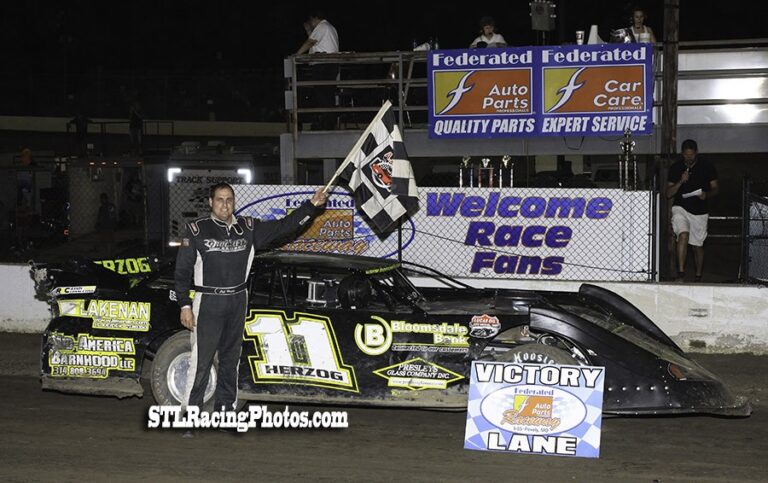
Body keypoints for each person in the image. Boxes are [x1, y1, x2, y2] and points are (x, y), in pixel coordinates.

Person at [174, 183, 327, 419]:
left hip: (238, 300)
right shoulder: (196, 230)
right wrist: (185, 305)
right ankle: (190, 416)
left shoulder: (248, 227)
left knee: (230, 361)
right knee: (201, 362)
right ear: (210, 203)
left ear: (234, 202)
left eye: (229, 200)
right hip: (208, 302)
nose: (225, 205)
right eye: (220, 200)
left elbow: (283, 227)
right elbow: (182, 273)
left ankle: (224, 414)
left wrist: (311, 207)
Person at [666, 139, 719, 282]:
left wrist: (706, 194)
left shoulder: (707, 166)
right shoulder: (676, 168)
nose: (688, 158)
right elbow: (669, 193)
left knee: (697, 246)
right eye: (686, 155)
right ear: (682, 154)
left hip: (699, 211)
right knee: (683, 235)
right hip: (680, 207)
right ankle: (681, 274)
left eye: (691, 155)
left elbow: (716, 188)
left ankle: (698, 275)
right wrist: (680, 181)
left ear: (696, 153)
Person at [295, 11, 339, 130]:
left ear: (315, 19)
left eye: (311, 21)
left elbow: (310, 42)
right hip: (330, 64)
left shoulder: (322, 26)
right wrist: (309, 31)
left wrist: (296, 55)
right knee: (327, 94)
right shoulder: (330, 27)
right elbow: (315, 42)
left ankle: (326, 122)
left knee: (322, 94)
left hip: (322, 65)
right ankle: (329, 122)